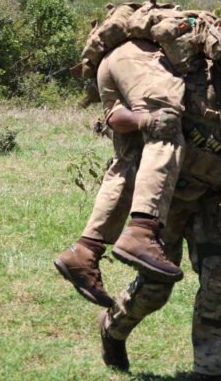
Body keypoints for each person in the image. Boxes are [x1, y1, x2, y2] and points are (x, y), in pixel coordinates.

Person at [97, 13, 221, 381]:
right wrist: (148, 121)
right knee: (156, 287)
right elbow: (120, 116)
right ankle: (113, 327)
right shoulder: (182, 72)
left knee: (219, 280)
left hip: (214, 198)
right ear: (220, 55)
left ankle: (209, 374)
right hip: (170, 197)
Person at [53, 38, 188, 308]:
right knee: (166, 126)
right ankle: (142, 231)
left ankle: (84, 251)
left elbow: (115, 118)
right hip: (137, 58)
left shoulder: (122, 42)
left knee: (129, 161)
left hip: (113, 61)